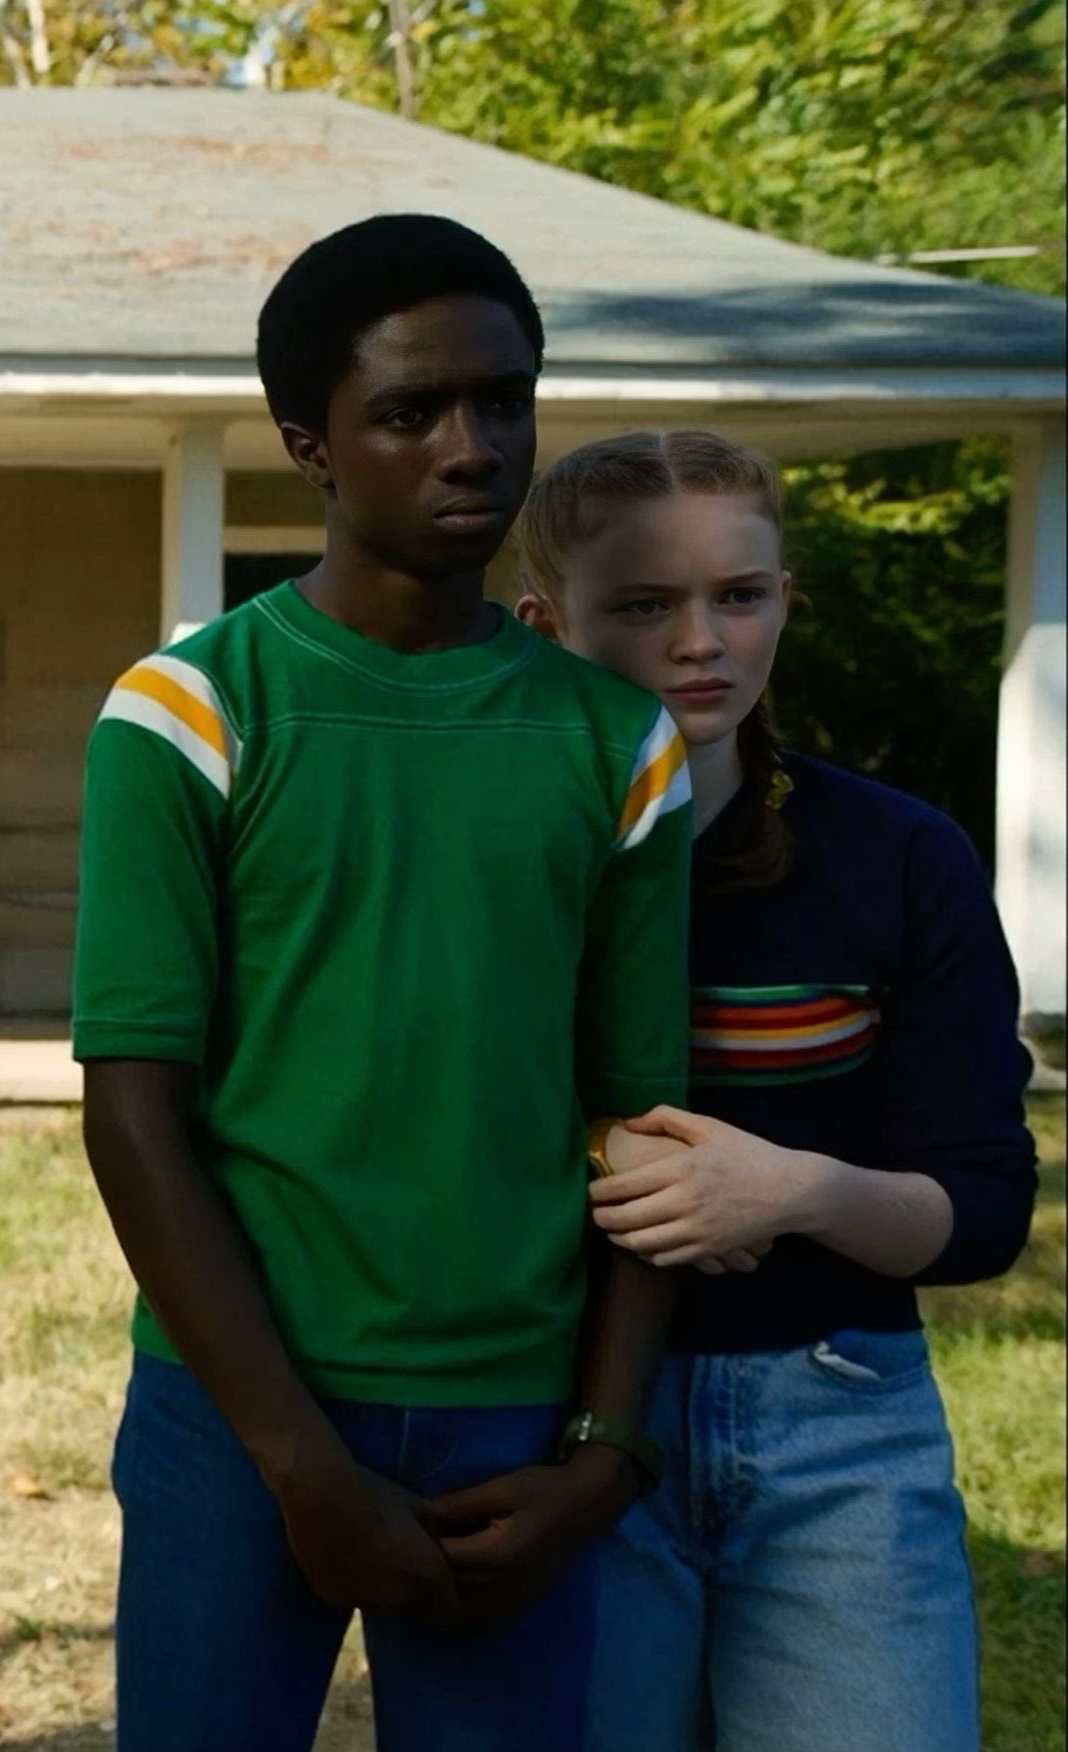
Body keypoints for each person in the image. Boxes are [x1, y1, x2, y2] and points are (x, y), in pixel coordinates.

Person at [72, 217, 694, 1752]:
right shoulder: (191, 714)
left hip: (518, 1423)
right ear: (312, 447)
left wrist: (603, 1455)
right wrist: (299, 1462)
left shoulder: (618, 742)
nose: (473, 447)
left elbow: (643, 1128)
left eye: (504, 400)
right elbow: (134, 1115)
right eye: (412, 412)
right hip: (238, 1411)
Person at [514, 428, 1037, 1752]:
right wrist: (597, 1153)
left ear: (786, 600)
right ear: (544, 623)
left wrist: (793, 1190)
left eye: (740, 595)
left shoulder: (901, 856)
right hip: (553, 1426)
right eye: (644, 605)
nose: (702, 641)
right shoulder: (491, 861)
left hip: (840, 1431)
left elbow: (985, 1209)